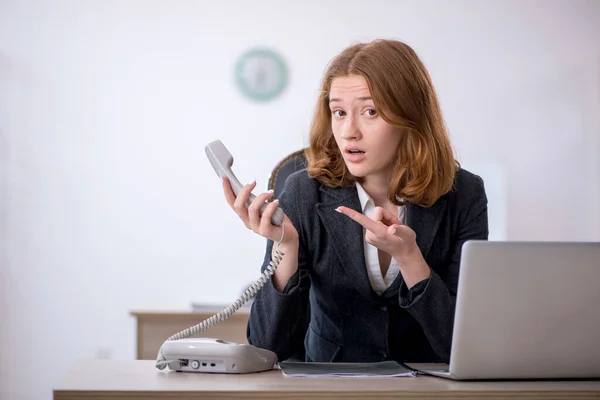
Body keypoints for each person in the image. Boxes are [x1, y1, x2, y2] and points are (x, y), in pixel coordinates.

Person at [222, 39, 488, 364]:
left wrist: (411, 260)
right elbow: (267, 345)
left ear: (411, 116)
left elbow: (462, 346)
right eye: (339, 112)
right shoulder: (303, 190)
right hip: (330, 385)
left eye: (370, 111)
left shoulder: (465, 194)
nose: (349, 131)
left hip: (425, 388)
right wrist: (286, 248)